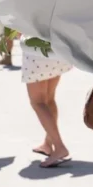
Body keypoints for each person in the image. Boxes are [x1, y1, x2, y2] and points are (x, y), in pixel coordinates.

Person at [21, 36, 72, 168]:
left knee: (37, 102)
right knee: (48, 99)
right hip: (56, 48)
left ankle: (59, 146)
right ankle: (48, 144)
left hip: (37, 50)